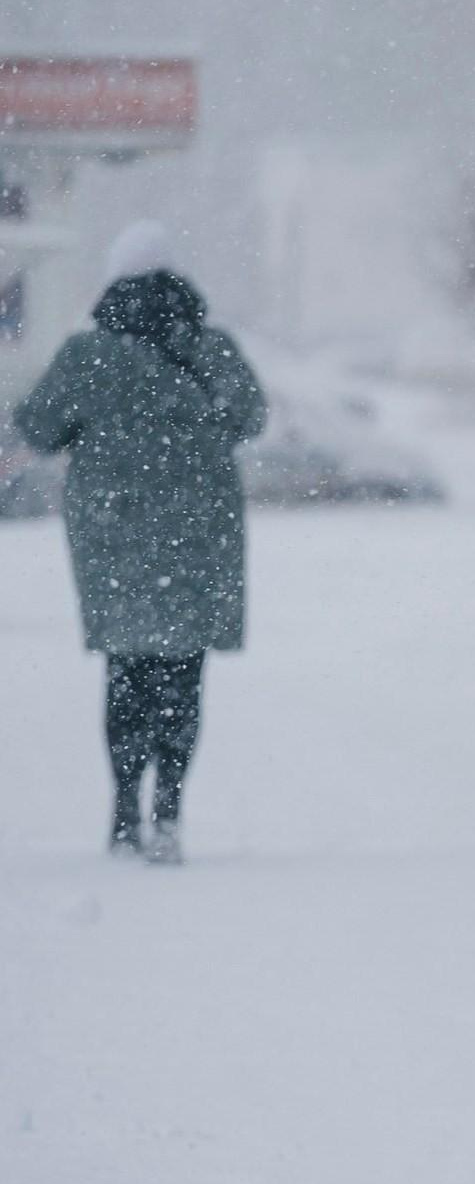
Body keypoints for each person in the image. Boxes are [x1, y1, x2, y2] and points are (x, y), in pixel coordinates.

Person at [13, 222, 266, 866]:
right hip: (197, 542)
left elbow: (38, 428)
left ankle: (125, 813)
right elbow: (250, 416)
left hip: (114, 545)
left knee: (126, 676)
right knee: (183, 676)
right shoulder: (212, 350)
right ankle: (169, 812)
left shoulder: (86, 356)